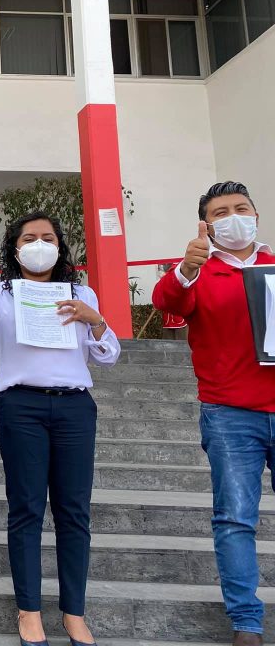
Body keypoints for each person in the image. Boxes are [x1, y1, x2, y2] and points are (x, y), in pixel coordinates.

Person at [0, 212, 120, 646]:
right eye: (29, 237)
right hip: (21, 407)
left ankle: (74, 614)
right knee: (26, 509)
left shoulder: (81, 292)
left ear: (59, 245)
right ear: (15, 247)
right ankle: (30, 612)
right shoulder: (2, 292)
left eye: (47, 237)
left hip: (75, 407)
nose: (39, 243)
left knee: (74, 512)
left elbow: (107, 355)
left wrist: (93, 319)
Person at [152, 181, 275, 646]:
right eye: (221, 212)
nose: (233, 216)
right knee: (236, 518)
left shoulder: (273, 266)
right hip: (230, 413)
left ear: (257, 214)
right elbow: (167, 302)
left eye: (241, 208)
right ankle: (247, 623)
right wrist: (186, 267)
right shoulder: (197, 272)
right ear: (206, 223)